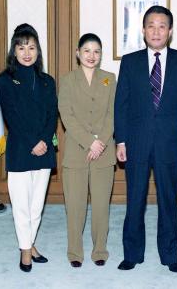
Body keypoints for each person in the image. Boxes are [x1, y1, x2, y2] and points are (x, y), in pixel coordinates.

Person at [114, 5, 177, 273]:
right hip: (136, 142)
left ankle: (170, 254)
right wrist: (121, 141)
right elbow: (121, 105)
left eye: (162, 26)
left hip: (170, 143)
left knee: (168, 201)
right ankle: (132, 253)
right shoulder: (130, 61)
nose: (156, 30)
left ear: (170, 31)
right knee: (135, 200)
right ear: (143, 30)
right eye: (151, 25)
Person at [0, 23, 58, 273]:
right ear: (14, 51)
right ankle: (25, 250)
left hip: (44, 149)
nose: (27, 52)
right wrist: (33, 142)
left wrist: (43, 140)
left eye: (31, 47)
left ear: (38, 50)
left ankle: (30, 243)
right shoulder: (5, 80)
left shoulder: (47, 81)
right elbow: (12, 116)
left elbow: (53, 114)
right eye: (21, 47)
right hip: (21, 150)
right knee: (21, 204)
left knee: (36, 205)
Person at [58, 33, 116, 268]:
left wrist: (100, 141)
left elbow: (113, 113)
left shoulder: (109, 79)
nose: (92, 56)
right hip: (76, 151)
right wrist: (88, 142)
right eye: (87, 51)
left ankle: (100, 249)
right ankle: (75, 252)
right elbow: (66, 115)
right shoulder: (68, 80)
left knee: (102, 205)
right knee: (75, 206)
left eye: (97, 51)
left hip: (104, 152)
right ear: (77, 53)